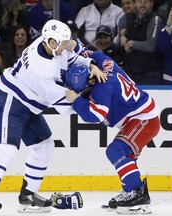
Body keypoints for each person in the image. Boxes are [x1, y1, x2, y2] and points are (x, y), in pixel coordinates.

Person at [0, 19, 107, 215]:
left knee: (45, 145)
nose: (66, 46)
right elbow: (67, 105)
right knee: (6, 148)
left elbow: (72, 52)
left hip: (29, 106)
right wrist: (91, 106)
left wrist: (91, 64)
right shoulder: (43, 71)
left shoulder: (48, 44)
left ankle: (28, 196)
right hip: (11, 100)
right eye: (63, 43)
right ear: (51, 42)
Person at [65, 49, 160, 214]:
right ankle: (130, 192)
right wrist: (87, 60)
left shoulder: (101, 90)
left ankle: (137, 194)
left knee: (116, 150)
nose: (85, 95)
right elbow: (96, 54)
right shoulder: (105, 64)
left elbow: (94, 115)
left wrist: (76, 101)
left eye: (84, 91)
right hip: (138, 117)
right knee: (126, 156)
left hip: (144, 118)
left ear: (91, 83)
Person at [121, 0, 163, 84]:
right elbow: (127, 35)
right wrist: (123, 37)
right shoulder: (131, 17)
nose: (142, 5)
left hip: (151, 75)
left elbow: (151, 46)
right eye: (140, 1)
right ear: (135, 3)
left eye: (146, 2)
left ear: (151, 4)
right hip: (132, 72)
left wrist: (131, 43)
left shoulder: (155, 19)